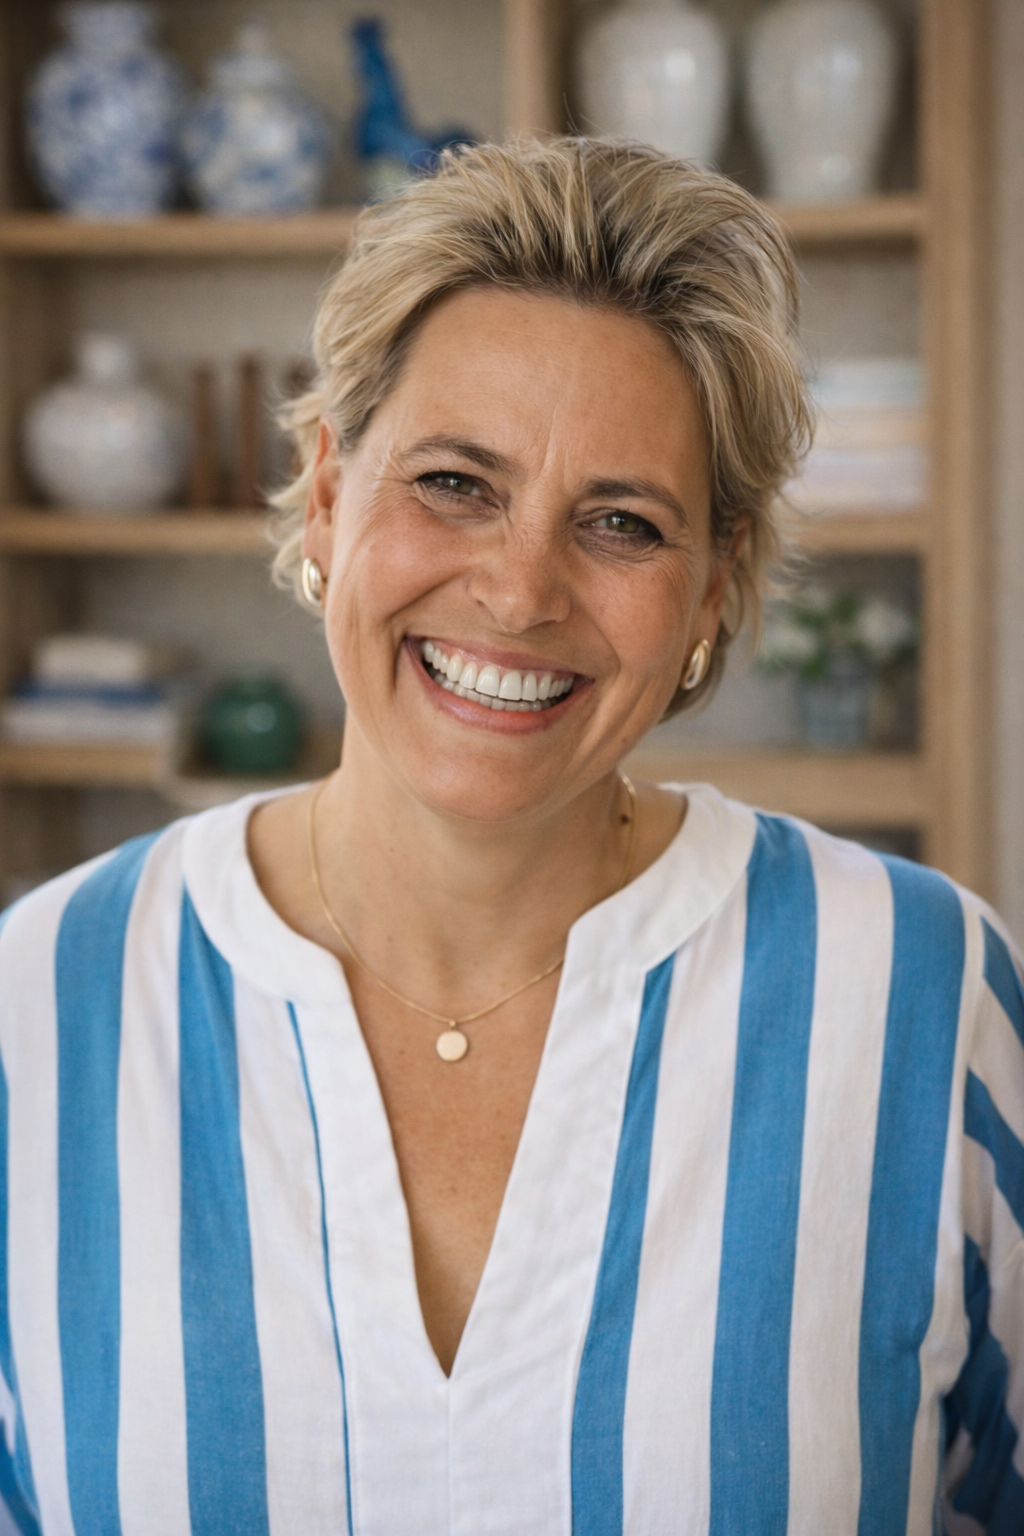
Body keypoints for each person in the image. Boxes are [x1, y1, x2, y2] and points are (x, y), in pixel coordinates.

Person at [0, 139, 1021, 1536]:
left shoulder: (921, 993)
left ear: (712, 587)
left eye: (622, 522)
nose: (522, 589)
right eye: (454, 483)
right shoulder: (39, 1004)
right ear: (326, 492)